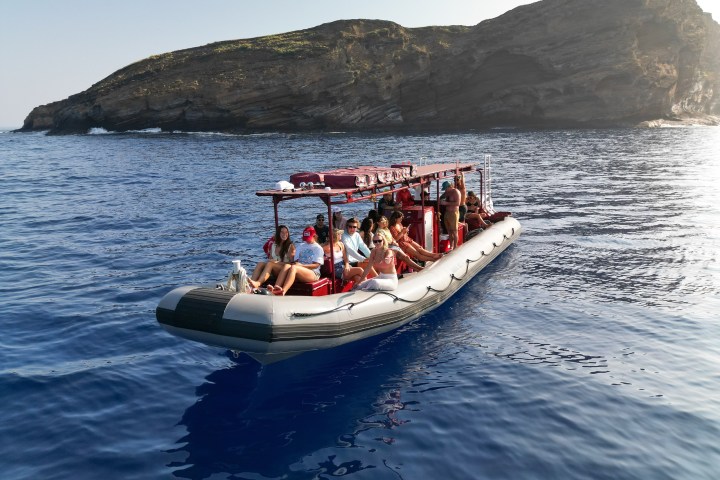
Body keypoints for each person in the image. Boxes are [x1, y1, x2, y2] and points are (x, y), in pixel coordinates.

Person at [270, 226, 324, 295]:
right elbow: (295, 261)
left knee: (294, 268)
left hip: (313, 272)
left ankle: (283, 291)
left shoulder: (318, 248)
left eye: (309, 238)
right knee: (287, 265)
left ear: (314, 236)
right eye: (306, 238)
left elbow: (316, 265)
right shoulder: (300, 246)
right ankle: (275, 288)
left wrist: (302, 265)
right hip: (300, 268)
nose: (307, 240)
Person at [249, 225, 295, 289]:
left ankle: (258, 283)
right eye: (282, 232)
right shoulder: (274, 245)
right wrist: (273, 262)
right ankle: (250, 285)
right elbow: (270, 259)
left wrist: (277, 262)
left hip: (284, 270)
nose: (284, 234)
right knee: (260, 264)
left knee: (270, 264)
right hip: (273, 269)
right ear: (278, 233)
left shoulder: (290, 246)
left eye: (286, 232)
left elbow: (292, 264)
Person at [439, 179, 461, 250]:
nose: (445, 190)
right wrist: (441, 201)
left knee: (454, 231)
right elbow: (440, 198)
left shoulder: (456, 192)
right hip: (447, 213)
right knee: (449, 231)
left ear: (449, 187)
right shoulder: (446, 193)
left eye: (446, 189)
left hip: (453, 213)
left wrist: (446, 203)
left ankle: (455, 246)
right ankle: (451, 246)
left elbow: (458, 203)